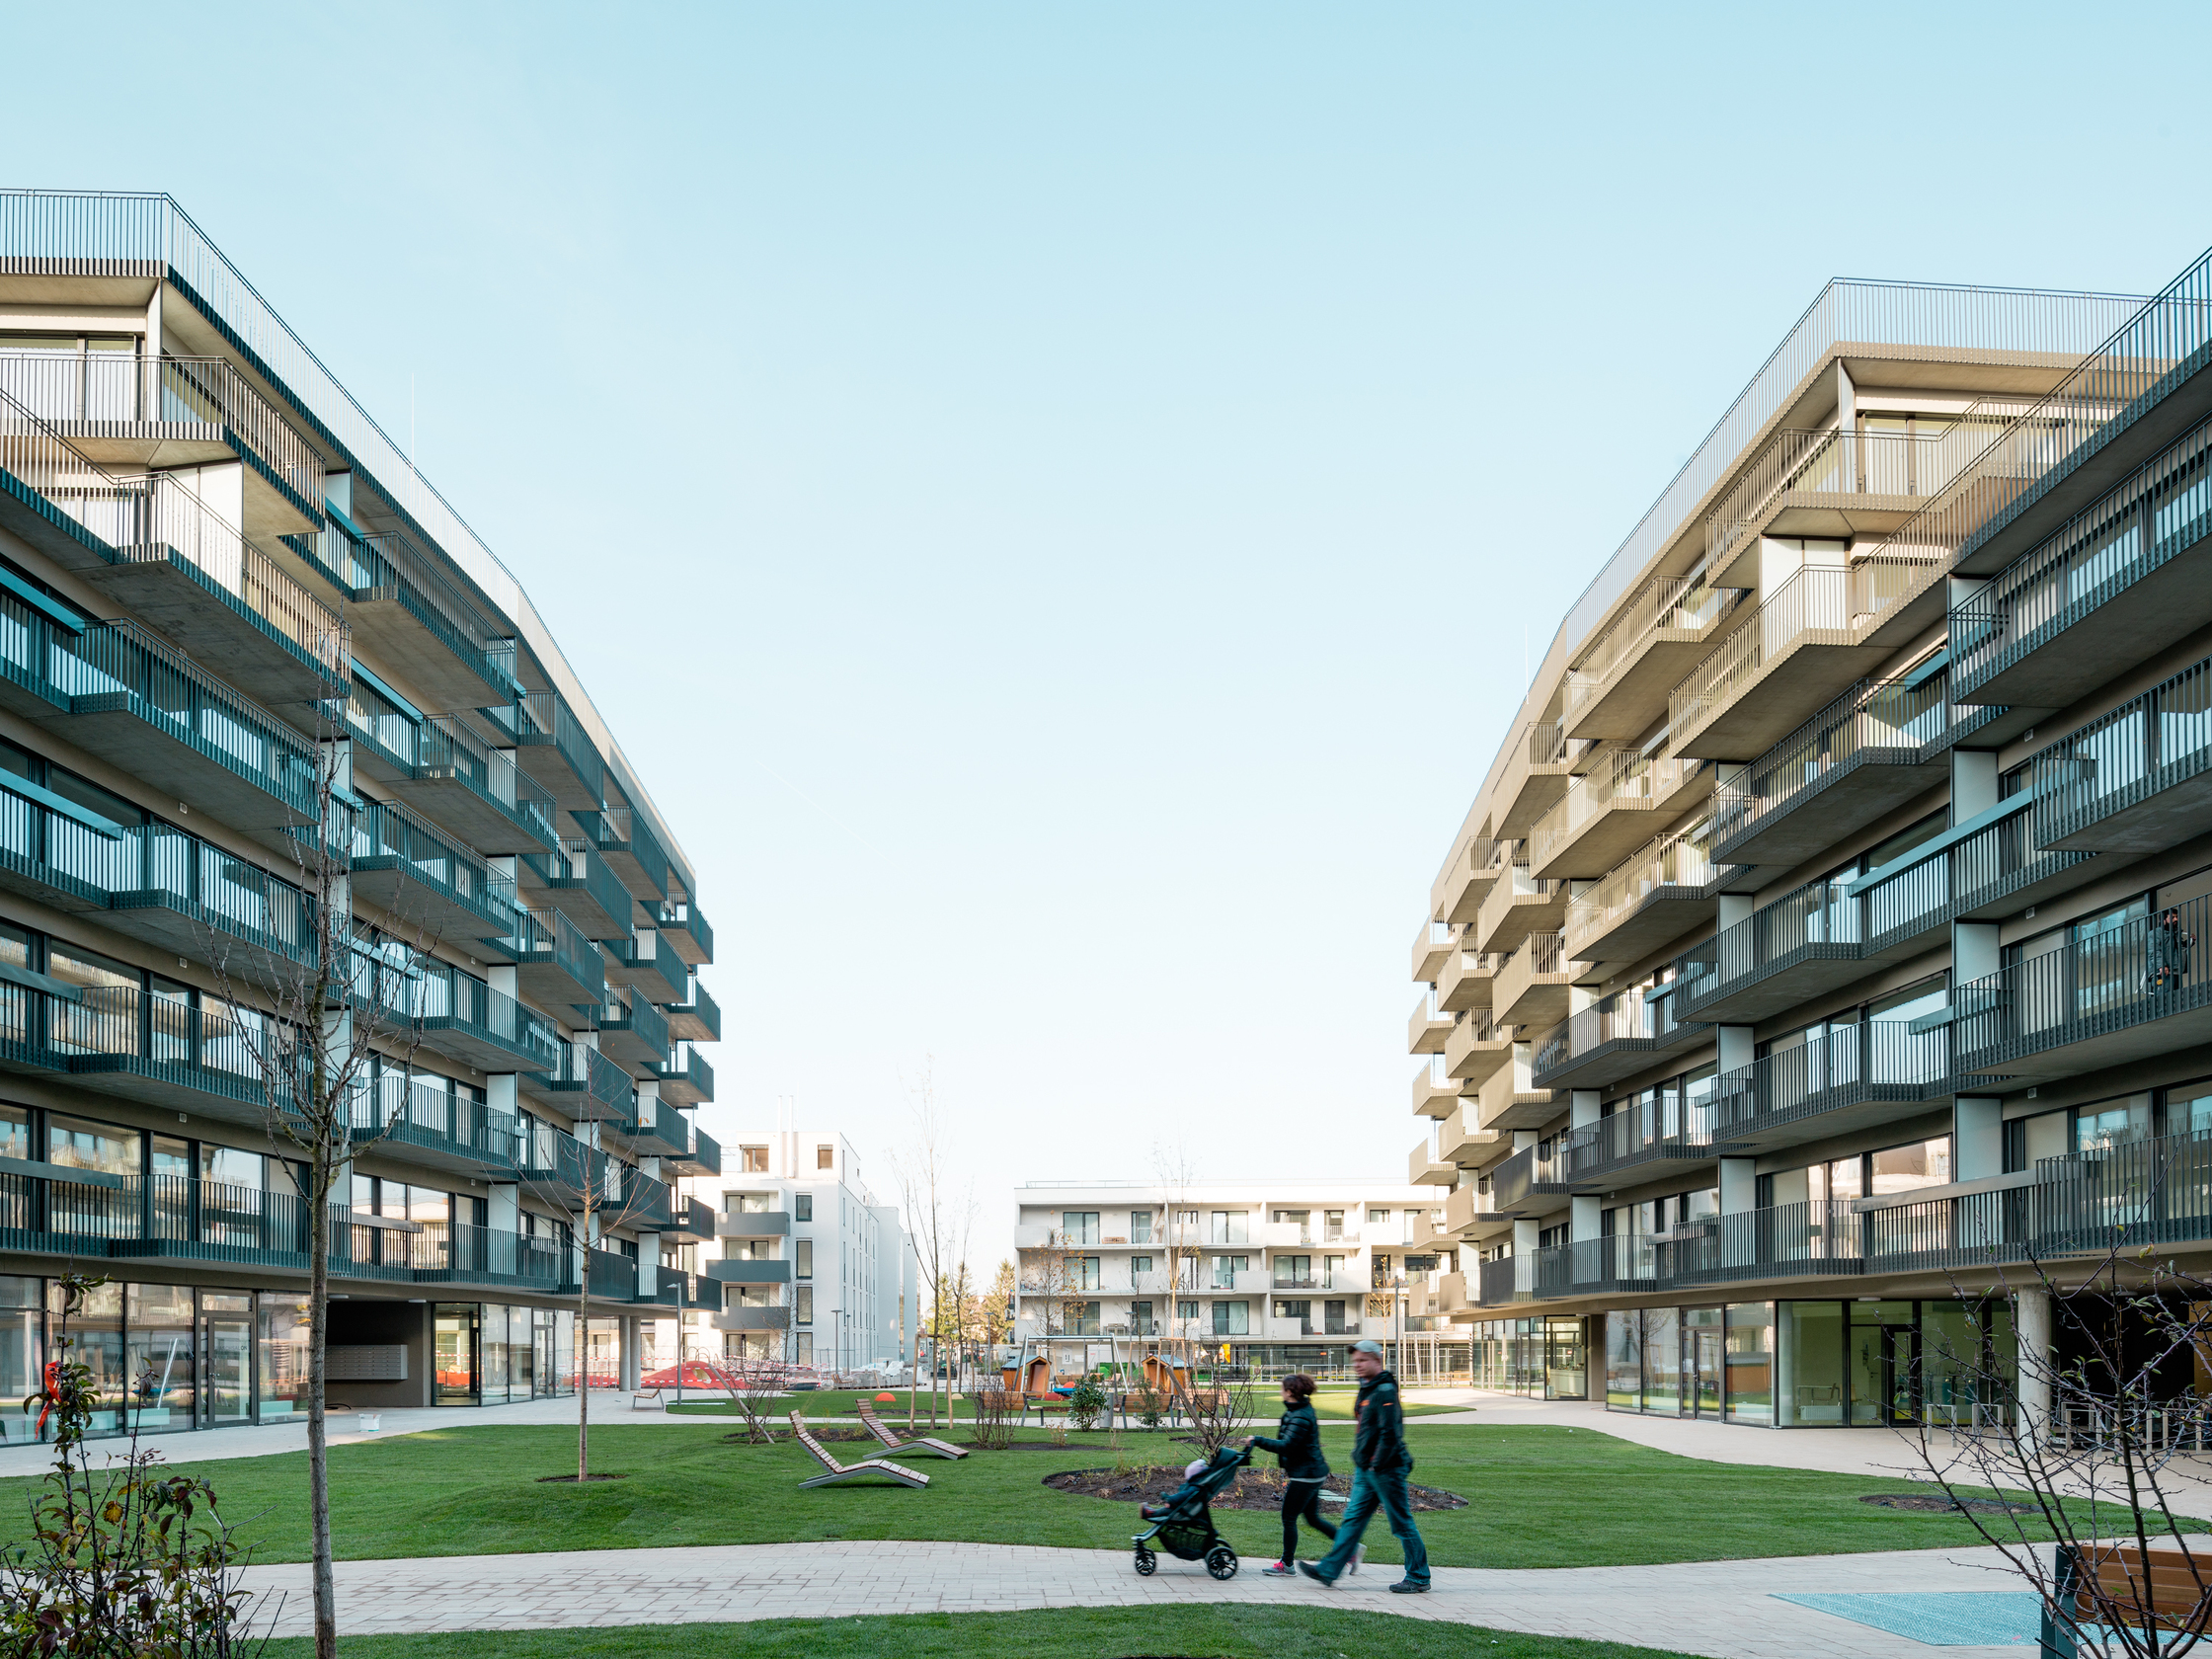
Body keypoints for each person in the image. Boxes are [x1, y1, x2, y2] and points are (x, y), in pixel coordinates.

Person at [1299, 1339, 1429, 1594]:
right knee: (1352, 1521)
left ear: (1377, 1360)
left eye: (1362, 1360)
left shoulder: (1385, 1391)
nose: (1356, 1365)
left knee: (1401, 1523)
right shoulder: (1368, 1387)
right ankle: (1328, 1571)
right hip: (1367, 1469)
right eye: (1355, 1361)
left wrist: (1376, 1464)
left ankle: (1419, 1576)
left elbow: (1391, 1434)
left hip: (1386, 1469)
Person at [1244, 1373, 1343, 1577]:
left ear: (1289, 1392)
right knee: (1312, 1518)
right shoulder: (1299, 1410)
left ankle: (1287, 1565)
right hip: (1310, 1472)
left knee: (1289, 1517)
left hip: (1305, 1475)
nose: (1280, 1391)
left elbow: (1287, 1446)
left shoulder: (1300, 1416)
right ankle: (1350, 1547)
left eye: (1282, 1388)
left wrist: (1258, 1440)